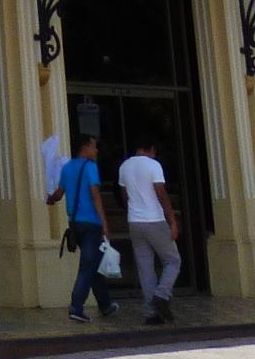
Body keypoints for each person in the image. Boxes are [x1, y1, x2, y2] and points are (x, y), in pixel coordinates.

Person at [47, 132, 118, 322]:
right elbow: (95, 195)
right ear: (84, 147)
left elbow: (59, 193)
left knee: (94, 264)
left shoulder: (67, 167)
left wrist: (51, 198)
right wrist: (104, 222)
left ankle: (105, 305)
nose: (95, 150)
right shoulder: (90, 167)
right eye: (93, 146)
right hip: (91, 224)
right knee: (88, 266)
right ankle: (76, 306)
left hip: (75, 224)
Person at [117, 130, 181, 325]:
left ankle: (150, 312)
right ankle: (161, 295)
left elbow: (124, 195)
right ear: (151, 149)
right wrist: (172, 221)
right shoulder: (154, 165)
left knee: (145, 267)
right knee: (173, 260)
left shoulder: (124, 166)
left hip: (135, 222)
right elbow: (161, 194)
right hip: (154, 219)